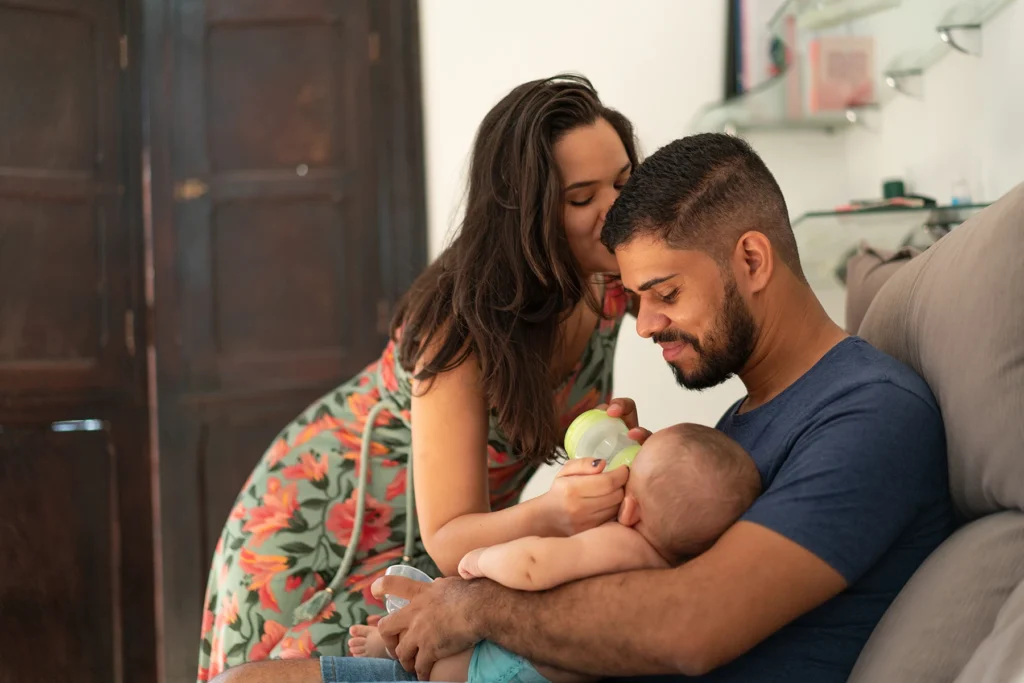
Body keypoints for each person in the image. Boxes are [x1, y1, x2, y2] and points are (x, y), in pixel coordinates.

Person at [212, 133, 955, 683]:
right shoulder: (741, 427)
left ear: (752, 261)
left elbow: (688, 625)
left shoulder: (869, 414)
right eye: (634, 300)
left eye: (665, 293)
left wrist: (474, 608)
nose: (645, 324)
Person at [197, 74, 640, 681]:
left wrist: (596, 444)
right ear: (527, 210)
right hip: (329, 525)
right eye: (582, 198)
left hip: (442, 546)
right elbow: (450, 536)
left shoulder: (606, 289)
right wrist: (558, 512)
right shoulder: (461, 329)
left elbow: (538, 432)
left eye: (623, 182)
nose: (615, 210)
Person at [347, 423, 762, 683]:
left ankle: (390, 645)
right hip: (559, 668)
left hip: (512, 665)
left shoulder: (619, 542)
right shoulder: (671, 562)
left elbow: (532, 566)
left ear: (631, 508)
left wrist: (480, 561)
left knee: (436, 667)